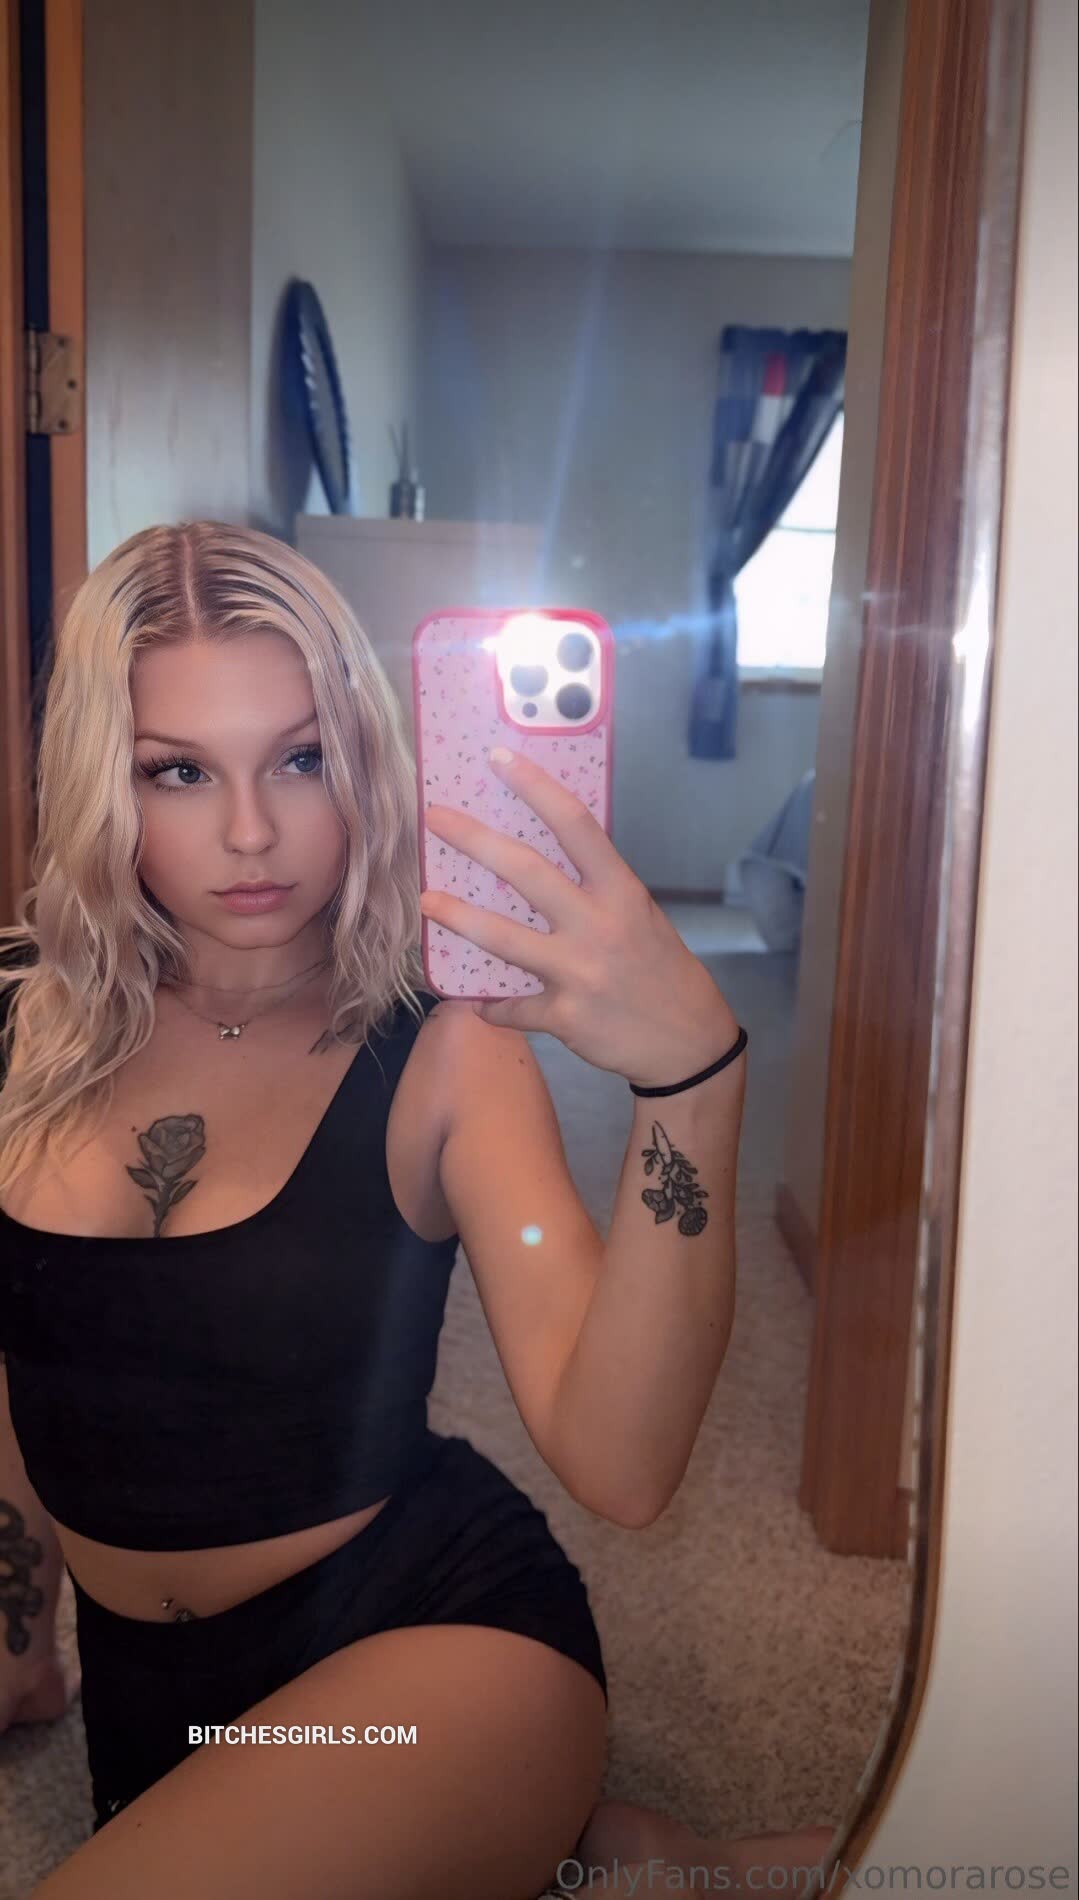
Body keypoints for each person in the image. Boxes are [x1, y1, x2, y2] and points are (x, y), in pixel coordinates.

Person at [0, 521, 834, 1897]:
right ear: (104, 777)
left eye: (302, 758)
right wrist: (22, 1636)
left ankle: (547, 1804)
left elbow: (623, 1464)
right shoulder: (24, 1029)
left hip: (431, 1637)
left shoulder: (446, 1052)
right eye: (179, 771)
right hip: (162, 1705)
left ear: (369, 758)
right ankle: (640, 1858)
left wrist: (693, 1078)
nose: (252, 831)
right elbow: (31, 1359)